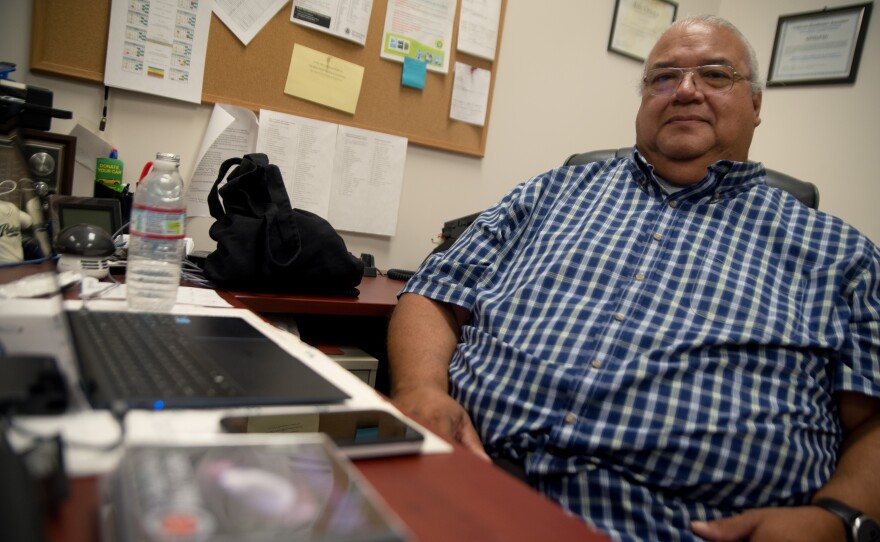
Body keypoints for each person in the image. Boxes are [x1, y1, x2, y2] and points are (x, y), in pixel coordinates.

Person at [387, 14, 880, 542]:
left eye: (715, 75)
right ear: (644, 98)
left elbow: (872, 419)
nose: (685, 91)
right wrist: (419, 387)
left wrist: (839, 517)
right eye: (663, 77)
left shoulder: (840, 254)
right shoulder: (549, 192)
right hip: (464, 480)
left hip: (673, 526)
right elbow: (434, 291)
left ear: (756, 103)